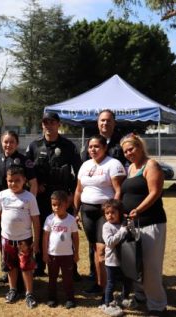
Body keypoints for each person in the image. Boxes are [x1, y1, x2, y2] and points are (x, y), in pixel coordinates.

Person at [25, 112, 82, 278]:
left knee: (66, 231)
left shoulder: (69, 146)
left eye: (52, 122)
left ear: (58, 124)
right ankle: (40, 265)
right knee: (42, 230)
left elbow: (79, 173)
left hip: (63, 197)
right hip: (42, 198)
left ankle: (71, 267)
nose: (48, 126)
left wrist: (73, 196)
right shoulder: (34, 146)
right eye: (45, 122)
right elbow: (27, 171)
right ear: (42, 125)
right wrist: (33, 185)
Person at [120, 133, 167, 316]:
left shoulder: (151, 165)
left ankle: (157, 305)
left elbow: (155, 192)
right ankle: (140, 296)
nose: (128, 153)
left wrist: (138, 209)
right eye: (125, 151)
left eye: (131, 149)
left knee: (151, 266)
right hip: (133, 224)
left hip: (150, 222)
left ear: (140, 147)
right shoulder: (131, 167)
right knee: (136, 263)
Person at [73, 135, 126, 296]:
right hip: (87, 211)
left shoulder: (113, 164)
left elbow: (118, 190)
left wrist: (113, 210)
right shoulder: (85, 165)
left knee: (103, 248)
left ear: (104, 148)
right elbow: (78, 190)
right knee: (95, 248)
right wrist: (75, 212)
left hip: (105, 211)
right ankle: (99, 283)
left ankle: (109, 286)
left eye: (96, 146)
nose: (93, 149)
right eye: (90, 147)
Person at [81, 109, 127, 284]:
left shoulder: (121, 144)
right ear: (97, 123)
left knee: (112, 242)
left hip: (113, 203)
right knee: (94, 245)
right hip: (90, 206)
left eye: (108, 121)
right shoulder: (91, 144)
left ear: (114, 123)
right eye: (102, 121)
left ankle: (117, 277)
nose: (105, 124)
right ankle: (96, 276)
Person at [0, 130, 38, 284]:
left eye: (11, 142)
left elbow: (34, 184)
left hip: (20, 208)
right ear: (1, 142)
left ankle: (24, 270)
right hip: (2, 207)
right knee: (5, 240)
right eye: (5, 141)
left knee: (22, 240)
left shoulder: (24, 161)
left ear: (17, 143)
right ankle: (7, 269)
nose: (8, 145)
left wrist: (30, 204)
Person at [0, 166, 40, 309]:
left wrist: (36, 241)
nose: (13, 184)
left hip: (24, 240)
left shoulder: (29, 197)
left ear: (24, 180)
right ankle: (12, 290)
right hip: (6, 239)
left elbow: (36, 221)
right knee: (10, 266)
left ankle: (29, 293)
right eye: (10, 181)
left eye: (17, 180)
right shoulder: (2, 195)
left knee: (26, 267)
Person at [43, 190, 79, 309]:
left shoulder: (71, 220)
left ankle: (70, 299)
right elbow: (45, 237)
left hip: (67, 255)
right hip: (52, 255)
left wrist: (76, 252)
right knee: (52, 278)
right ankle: (52, 298)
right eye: (54, 205)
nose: (56, 207)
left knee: (68, 278)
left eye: (60, 205)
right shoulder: (49, 219)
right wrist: (45, 253)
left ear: (66, 204)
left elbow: (75, 237)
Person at [100, 199, 134, 317]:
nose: (110, 215)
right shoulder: (106, 226)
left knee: (127, 281)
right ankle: (108, 304)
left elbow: (133, 237)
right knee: (111, 283)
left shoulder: (124, 224)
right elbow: (109, 242)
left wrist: (130, 226)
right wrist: (123, 230)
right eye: (107, 213)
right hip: (112, 261)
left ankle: (123, 298)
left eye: (113, 212)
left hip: (126, 260)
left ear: (120, 212)